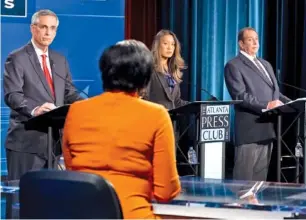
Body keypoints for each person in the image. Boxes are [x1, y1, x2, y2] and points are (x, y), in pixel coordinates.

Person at [62, 40, 181, 219]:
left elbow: (73, 172)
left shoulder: (76, 110)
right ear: (144, 77)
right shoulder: (157, 115)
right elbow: (166, 191)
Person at [3, 9, 83, 180]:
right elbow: (12, 94)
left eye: (53, 28)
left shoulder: (59, 60)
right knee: (22, 200)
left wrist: (89, 106)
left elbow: (69, 93)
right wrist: (35, 110)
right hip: (26, 143)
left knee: (48, 202)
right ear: (33, 28)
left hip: (54, 145)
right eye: (44, 27)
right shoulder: (17, 58)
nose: (48, 32)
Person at [224, 27, 291, 182]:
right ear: (241, 44)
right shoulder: (233, 65)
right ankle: (238, 206)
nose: (255, 43)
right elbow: (240, 95)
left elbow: (275, 93)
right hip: (250, 129)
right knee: (244, 181)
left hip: (268, 128)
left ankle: (254, 206)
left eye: (256, 39)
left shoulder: (265, 64)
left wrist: (292, 103)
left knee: (259, 181)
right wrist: (267, 105)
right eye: (250, 39)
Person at [142, 29, 188, 110]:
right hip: (155, 120)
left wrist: (197, 106)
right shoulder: (149, 69)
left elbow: (176, 102)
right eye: (165, 44)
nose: (170, 48)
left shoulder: (174, 71)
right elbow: (144, 99)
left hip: (171, 121)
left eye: (173, 44)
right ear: (157, 45)